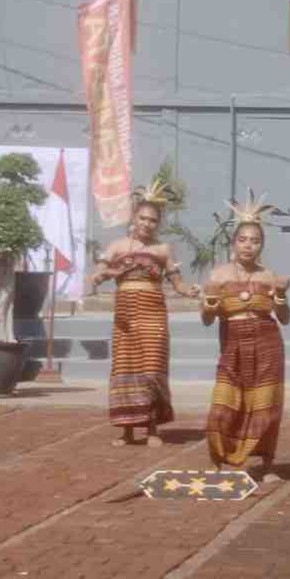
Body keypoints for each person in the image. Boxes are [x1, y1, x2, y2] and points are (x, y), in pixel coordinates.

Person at [88, 181, 199, 447]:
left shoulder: (163, 250)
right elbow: (96, 276)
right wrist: (101, 274)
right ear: (134, 217)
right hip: (125, 315)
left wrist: (190, 291)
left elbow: (177, 282)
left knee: (151, 369)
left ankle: (151, 429)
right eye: (143, 218)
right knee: (125, 368)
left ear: (158, 224)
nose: (147, 224)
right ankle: (126, 432)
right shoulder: (116, 247)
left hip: (153, 314)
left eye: (153, 220)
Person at [200, 191, 290, 493]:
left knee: (265, 407)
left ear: (261, 245)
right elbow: (207, 319)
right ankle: (216, 463)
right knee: (223, 405)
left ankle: (266, 465)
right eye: (243, 239)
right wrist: (211, 299)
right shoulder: (219, 275)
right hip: (234, 346)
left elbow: (285, 317)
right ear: (234, 242)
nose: (248, 245)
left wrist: (280, 295)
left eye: (254, 240)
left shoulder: (269, 276)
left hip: (268, 345)